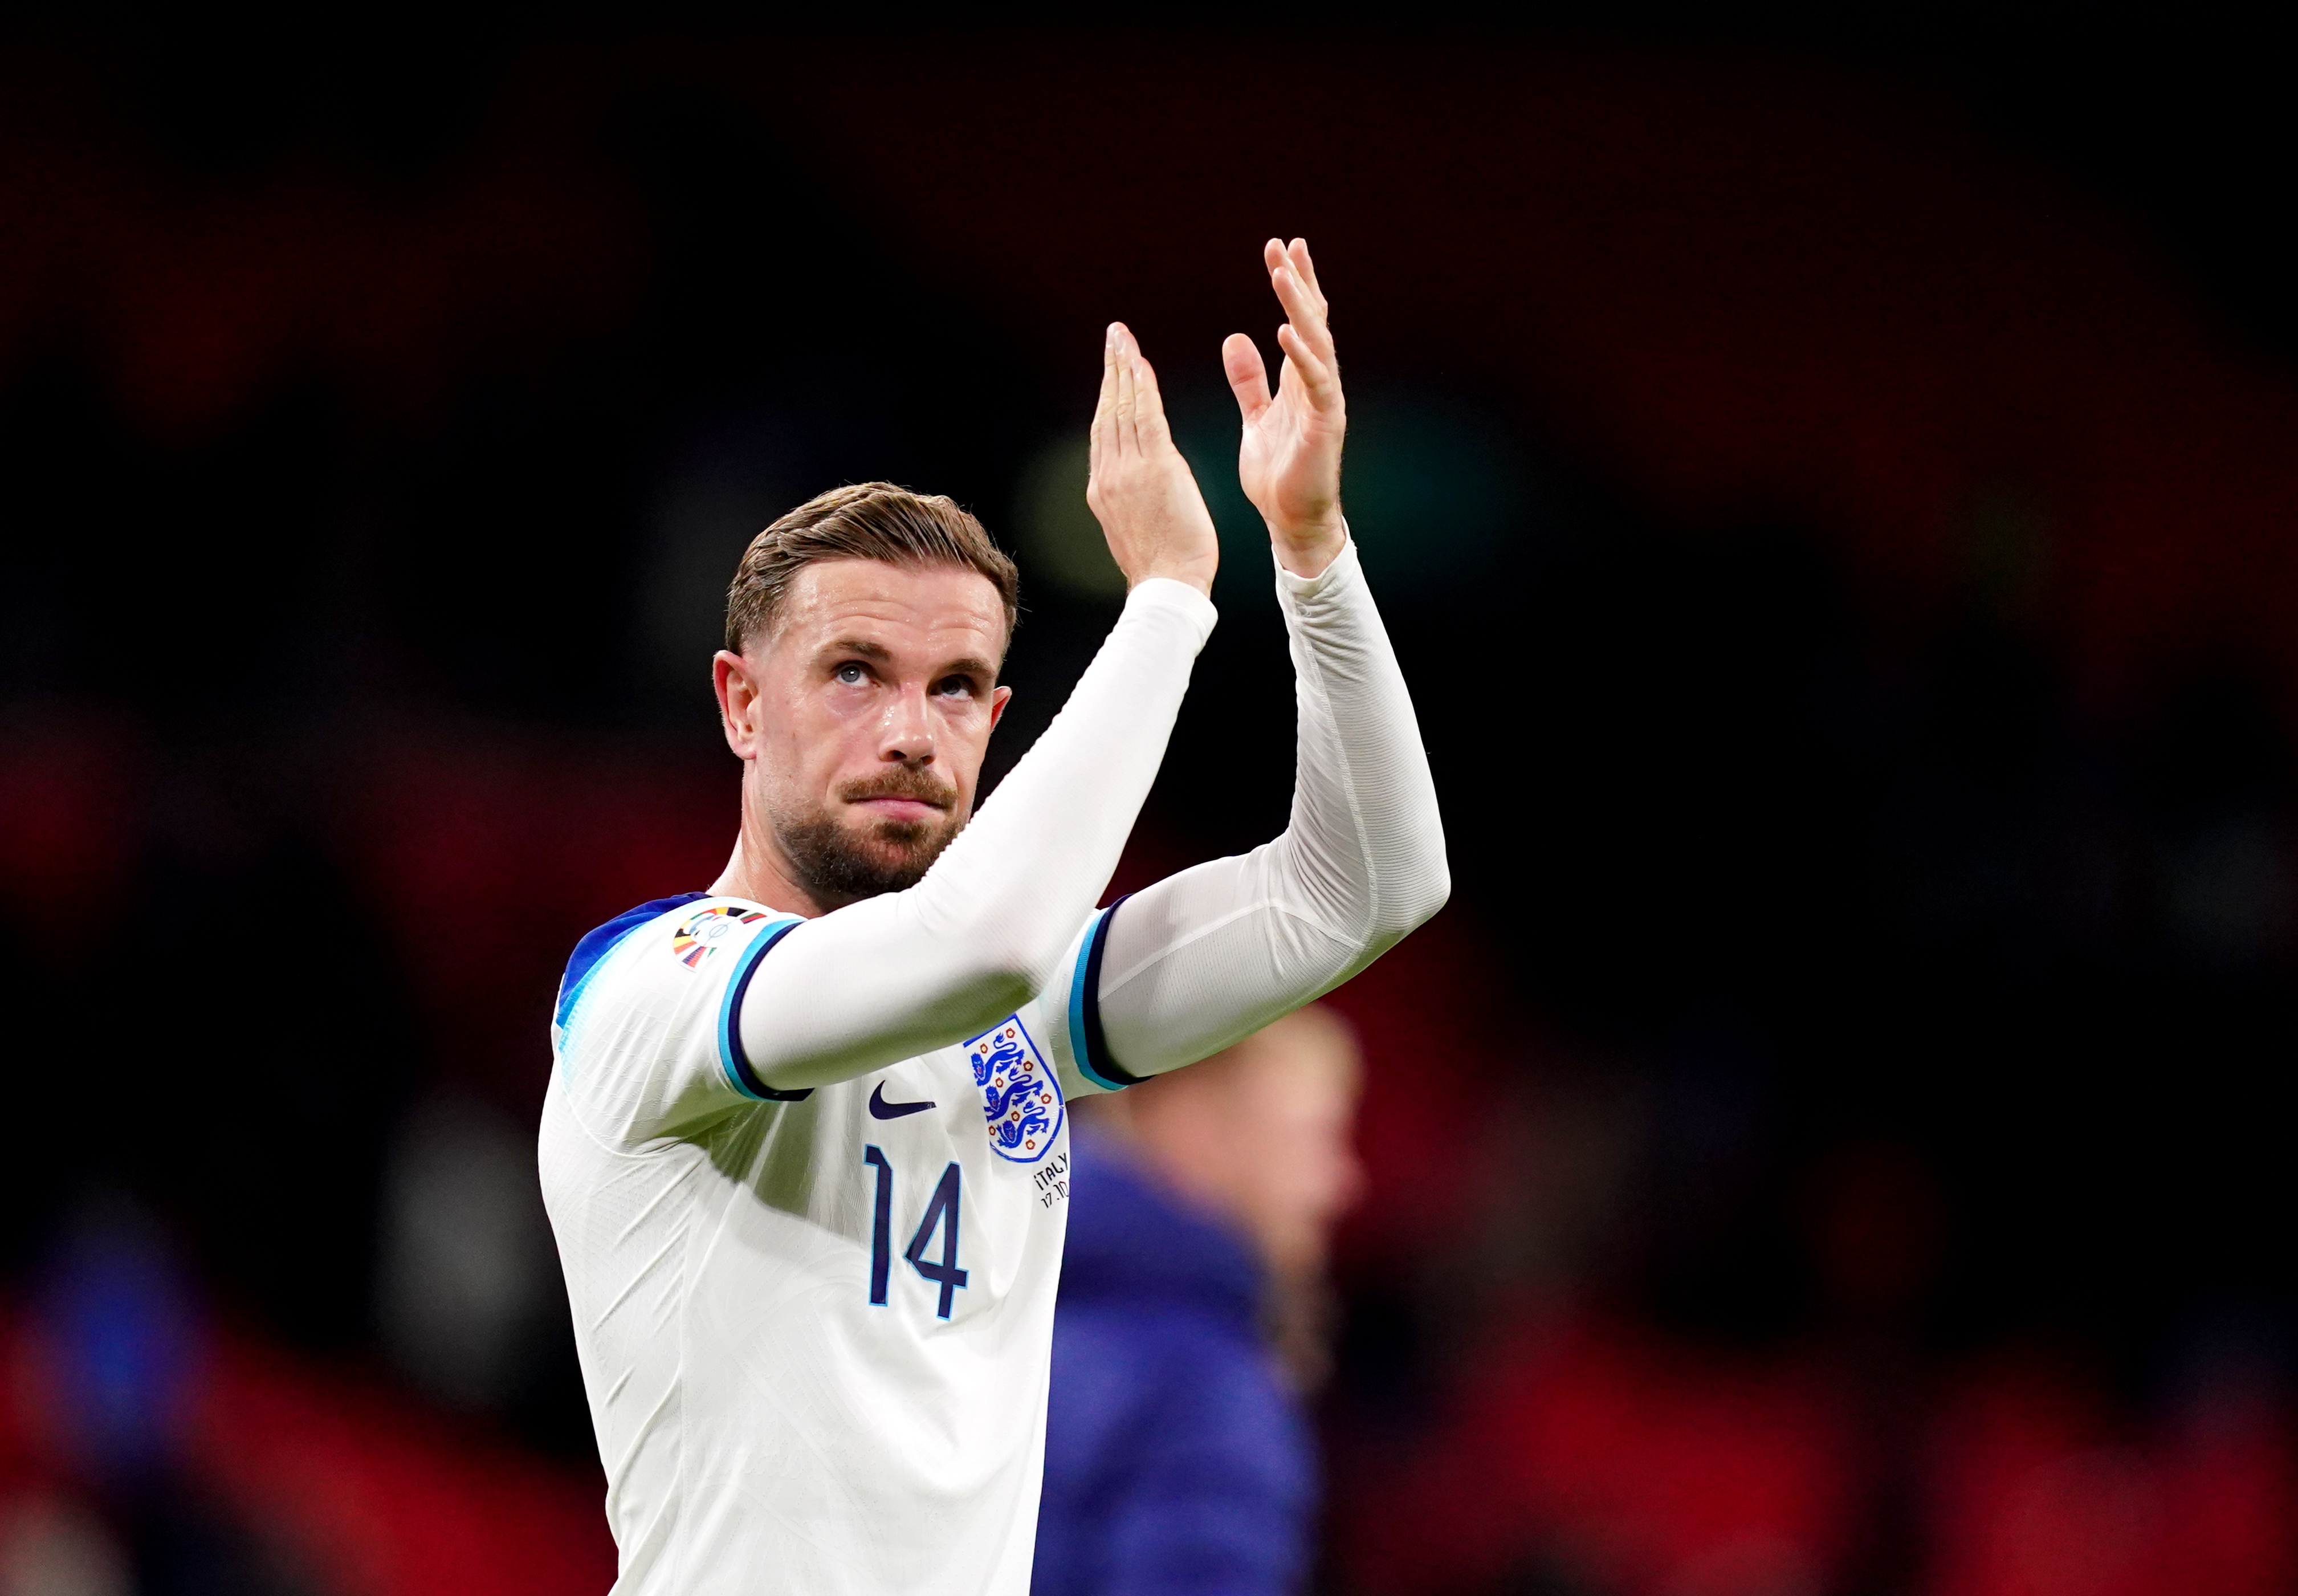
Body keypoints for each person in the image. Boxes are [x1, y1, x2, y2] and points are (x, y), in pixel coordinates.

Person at [539, 239, 1447, 1596]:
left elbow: (1365, 887)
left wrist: (1312, 554)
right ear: (739, 701)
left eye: (957, 686)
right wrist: (1162, 607)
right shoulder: (652, 995)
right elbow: (976, 950)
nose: (912, 731)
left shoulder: (1010, 1016)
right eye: (855, 672)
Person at [1034, 1005, 1364, 1596]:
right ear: (1193, 1125)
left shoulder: (990, 1313)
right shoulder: (1203, 1380)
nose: (1340, 1183)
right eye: (1313, 1137)